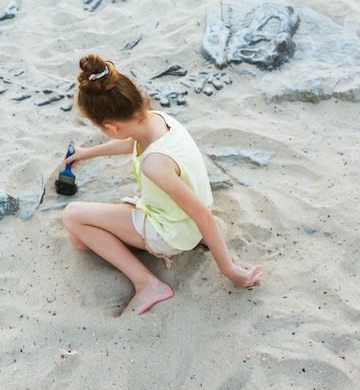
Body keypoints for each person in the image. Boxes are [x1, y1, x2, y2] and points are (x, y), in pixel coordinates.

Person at [62, 54, 263, 315]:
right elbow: (130, 142)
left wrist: (231, 271)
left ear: (110, 126)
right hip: (185, 221)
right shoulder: (157, 119)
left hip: (171, 233)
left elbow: (203, 216)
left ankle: (148, 283)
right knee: (81, 239)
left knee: (73, 219)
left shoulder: (154, 164)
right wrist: (86, 152)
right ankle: (163, 248)